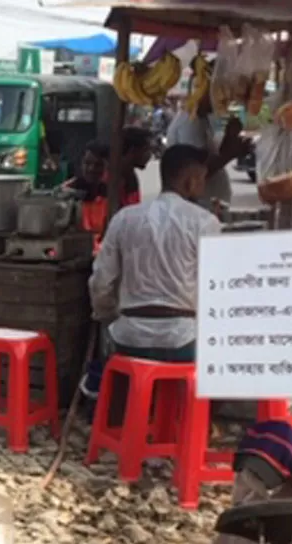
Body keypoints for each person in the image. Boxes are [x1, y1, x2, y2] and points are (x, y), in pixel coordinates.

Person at [89, 144, 221, 363]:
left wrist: (107, 314)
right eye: (202, 178)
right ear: (191, 180)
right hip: (182, 340)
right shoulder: (204, 222)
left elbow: (101, 282)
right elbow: (214, 289)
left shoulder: (124, 218)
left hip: (128, 339)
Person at [165, 93, 251, 209]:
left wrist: (230, 138)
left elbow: (212, 156)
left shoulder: (201, 120)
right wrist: (231, 153)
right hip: (201, 207)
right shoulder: (190, 122)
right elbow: (197, 171)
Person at [66, 138, 145, 253]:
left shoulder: (114, 193)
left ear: (107, 167)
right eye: (87, 163)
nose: (91, 169)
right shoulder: (70, 189)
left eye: (98, 165)